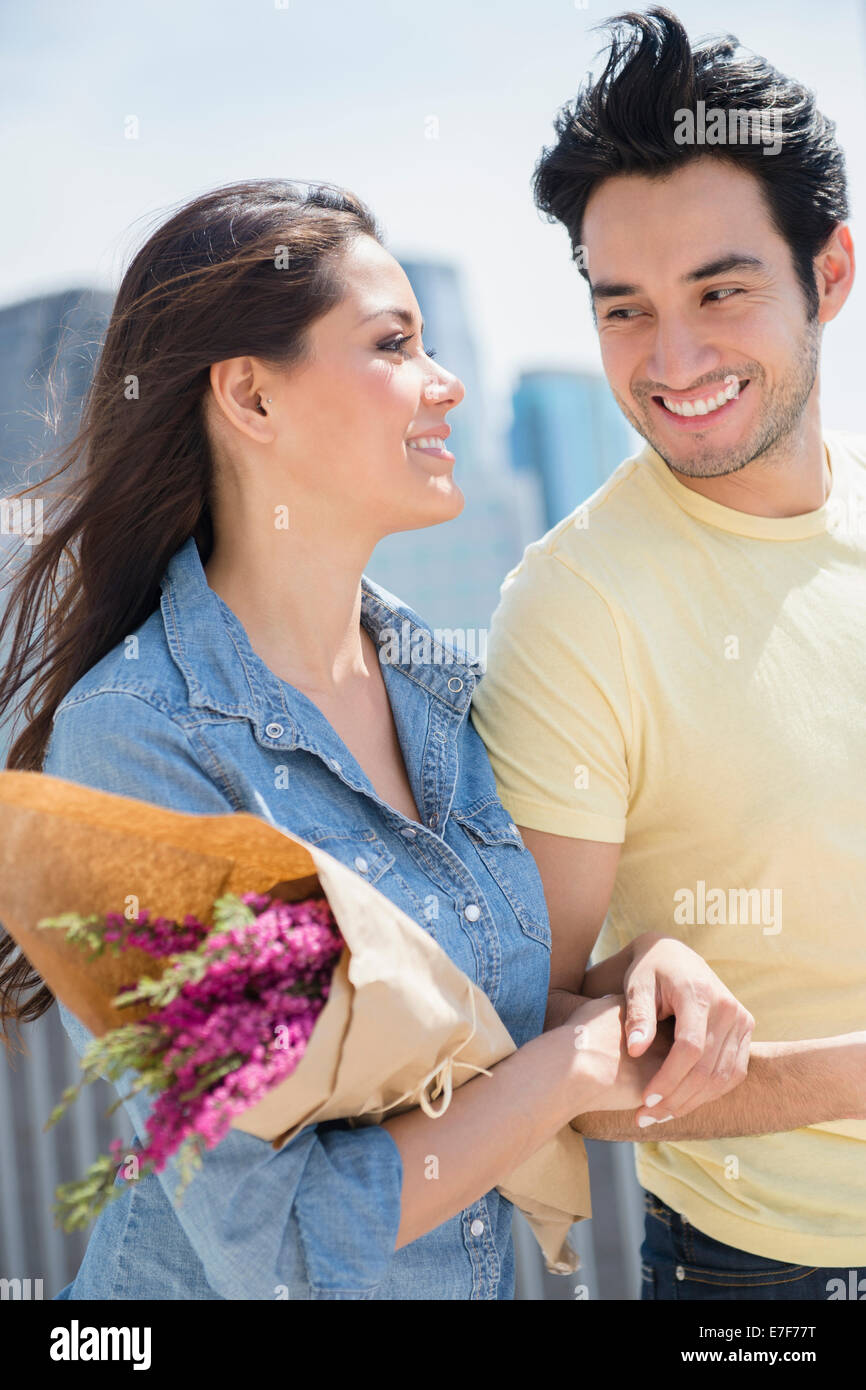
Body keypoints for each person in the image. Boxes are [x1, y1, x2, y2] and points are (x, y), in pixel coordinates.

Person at [0, 178, 751, 1300]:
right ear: (250, 397)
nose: (444, 384)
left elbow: (459, 1025)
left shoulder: (440, 688)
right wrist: (562, 1074)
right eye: (393, 344)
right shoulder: (138, 745)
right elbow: (279, 1238)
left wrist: (635, 979)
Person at [470, 8, 866, 1301]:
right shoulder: (575, 607)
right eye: (623, 308)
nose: (672, 359)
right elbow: (532, 1050)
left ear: (830, 274)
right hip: (770, 1280)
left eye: (718, 289)